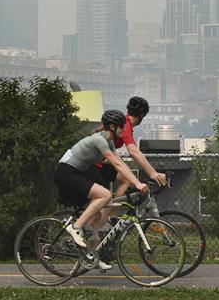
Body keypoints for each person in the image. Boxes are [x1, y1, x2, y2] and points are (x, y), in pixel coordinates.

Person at [53, 109, 148, 267]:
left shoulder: (109, 141)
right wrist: (137, 184)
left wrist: (134, 181)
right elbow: (116, 164)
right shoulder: (99, 140)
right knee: (105, 195)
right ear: (112, 126)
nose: (123, 130)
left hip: (76, 173)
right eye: (121, 127)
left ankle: (92, 256)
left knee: (97, 215)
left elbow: (120, 164)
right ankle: (75, 227)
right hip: (65, 173)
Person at [90, 96, 167, 198]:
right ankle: (106, 213)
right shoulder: (125, 125)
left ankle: (109, 213)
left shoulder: (124, 124)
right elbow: (133, 151)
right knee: (104, 199)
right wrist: (153, 173)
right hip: (93, 166)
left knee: (127, 180)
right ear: (142, 115)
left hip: (97, 164)